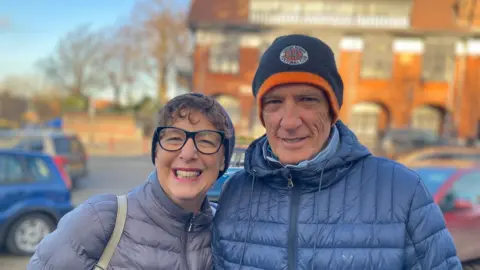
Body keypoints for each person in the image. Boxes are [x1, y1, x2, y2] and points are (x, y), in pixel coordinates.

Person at [212, 34, 461, 269]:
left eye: (307, 100)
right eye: (274, 102)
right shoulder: (236, 193)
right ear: (262, 114)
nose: (289, 122)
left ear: (332, 110)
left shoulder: (401, 192)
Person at [28, 93, 235, 270]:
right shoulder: (100, 220)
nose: (188, 153)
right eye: (173, 138)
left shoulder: (227, 231)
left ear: (223, 160)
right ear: (156, 151)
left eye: (206, 141)